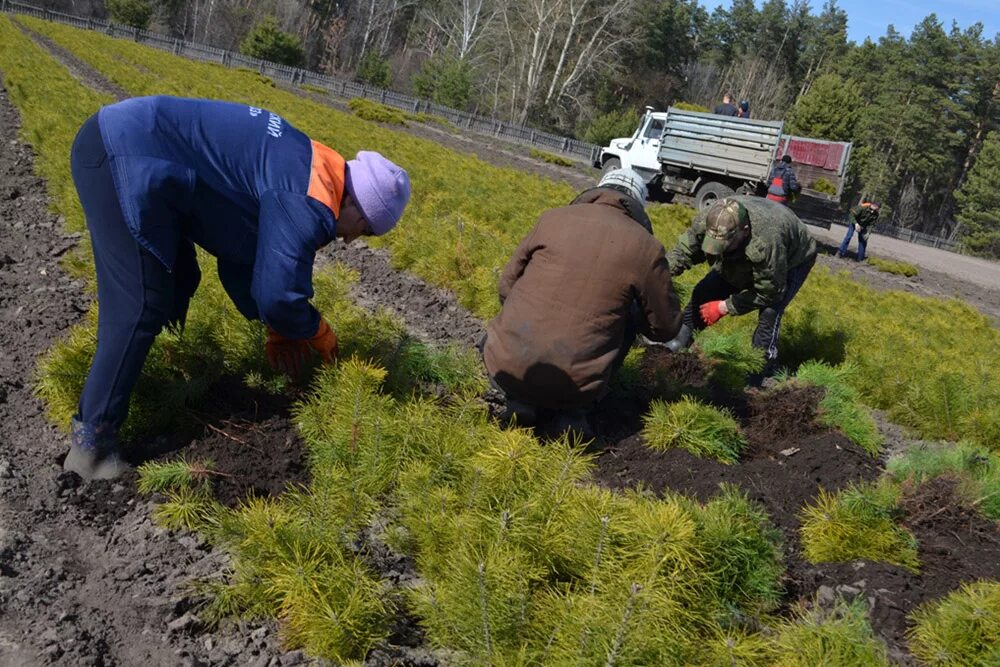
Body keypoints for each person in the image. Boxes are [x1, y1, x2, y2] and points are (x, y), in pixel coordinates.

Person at [64, 95, 411, 480]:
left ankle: (156, 381)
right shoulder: (309, 197)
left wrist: (278, 327)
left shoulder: (307, 163)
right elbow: (278, 293)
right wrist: (315, 331)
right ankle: (91, 447)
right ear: (358, 208)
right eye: (363, 232)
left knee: (179, 280)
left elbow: (243, 258)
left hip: (137, 150)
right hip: (122, 155)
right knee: (141, 304)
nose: (350, 241)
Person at [481, 168, 682, 439]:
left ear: (597, 192)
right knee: (629, 313)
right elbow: (665, 328)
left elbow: (506, 287)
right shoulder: (647, 247)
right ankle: (574, 413)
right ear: (637, 206)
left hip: (505, 367)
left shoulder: (552, 218)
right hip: (577, 388)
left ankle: (520, 400)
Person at [663, 196, 817, 382]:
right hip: (744, 251)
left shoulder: (766, 243)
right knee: (704, 291)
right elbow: (684, 250)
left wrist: (724, 307)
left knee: (770, 312)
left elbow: (769, 292)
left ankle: (762, 368)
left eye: (724, 244)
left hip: (793, 258)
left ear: (743, 232)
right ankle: (681, 338)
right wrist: (661, 274)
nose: (718, 248)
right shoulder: (712, 219)